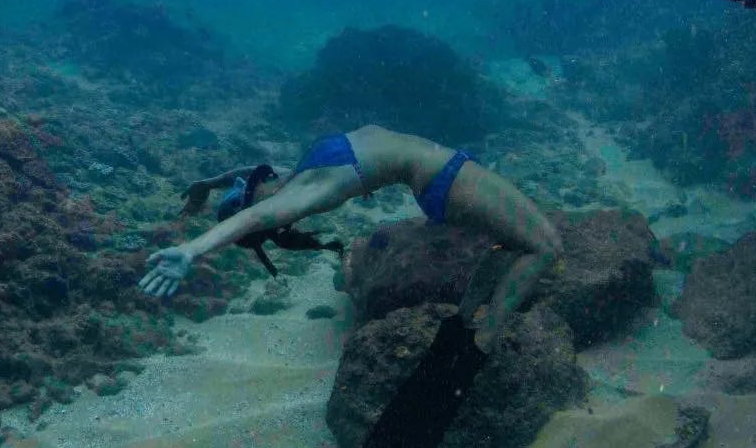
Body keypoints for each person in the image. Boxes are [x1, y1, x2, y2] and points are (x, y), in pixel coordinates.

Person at [138, 124, 564, 353]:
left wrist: (206, 183)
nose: (248, 181)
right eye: (246, 190)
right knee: (544, 247)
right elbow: (254, 215)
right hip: (443, 179)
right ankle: (485, 342)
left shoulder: (290, 174)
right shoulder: (301, 193)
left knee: (513, 244)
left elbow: (247, 177)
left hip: (445, 174)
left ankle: (468, 320)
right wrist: (192, 249)